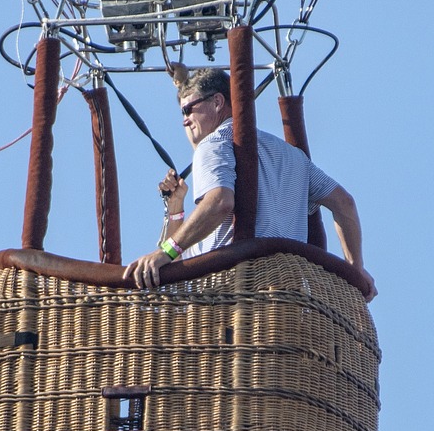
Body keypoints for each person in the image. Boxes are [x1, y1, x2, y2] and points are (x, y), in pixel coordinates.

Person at [124, 68, 374, 297]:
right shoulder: (291, 156)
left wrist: (164, 252)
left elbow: (220, 201)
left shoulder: (213, 145)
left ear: (218, 101)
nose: (184, 120)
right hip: (287, 295)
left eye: (188, 110)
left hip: (229, 295)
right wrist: (356, 271)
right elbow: (344, 203)